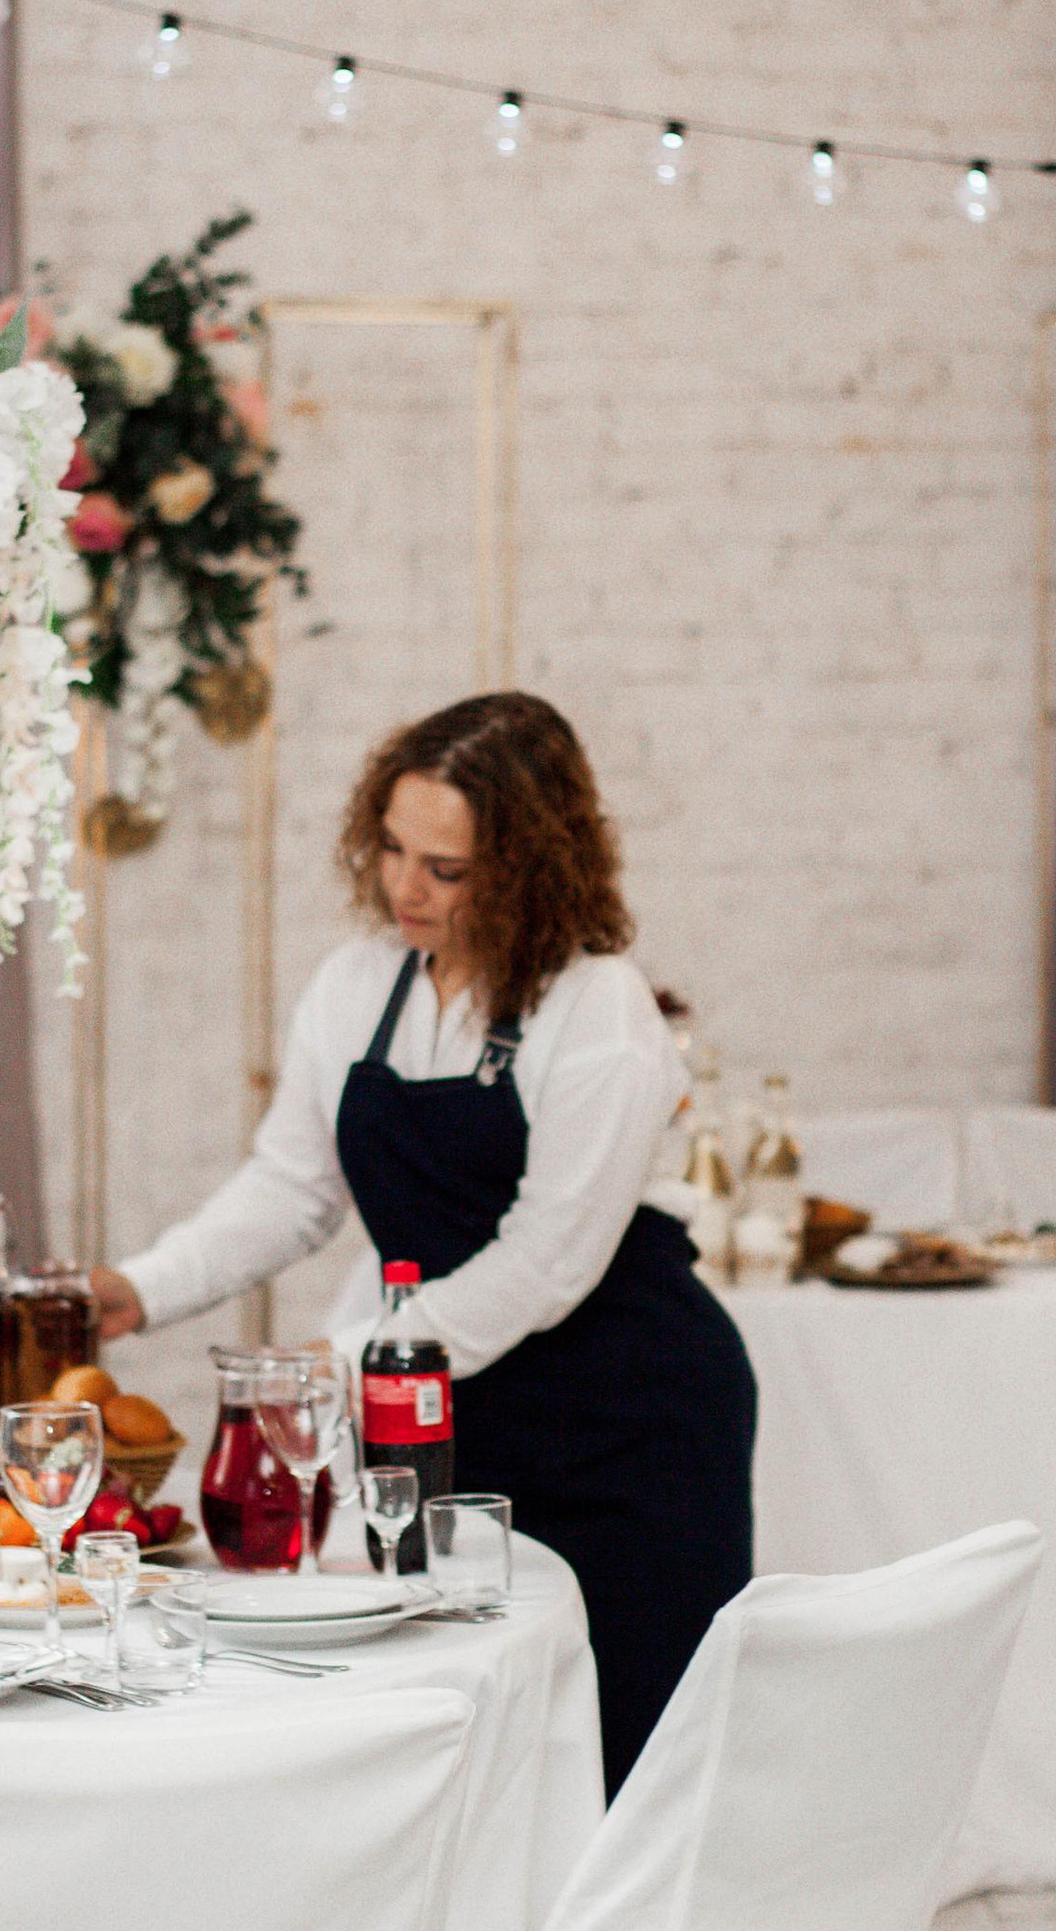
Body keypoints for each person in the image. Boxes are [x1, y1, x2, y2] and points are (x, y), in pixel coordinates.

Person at [96, 690, 755, 1794]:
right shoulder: (359, 988)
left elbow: (547, 1263)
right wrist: (138, 1289)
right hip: (454, 1423)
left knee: (635, 1753)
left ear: (529, 867)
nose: (406, 887)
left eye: (445, 870)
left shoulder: (598, 1010)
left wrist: (352, 1359)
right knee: (476, 1743)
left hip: (632, 1421)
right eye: (394, 849)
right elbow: (293, 1189)